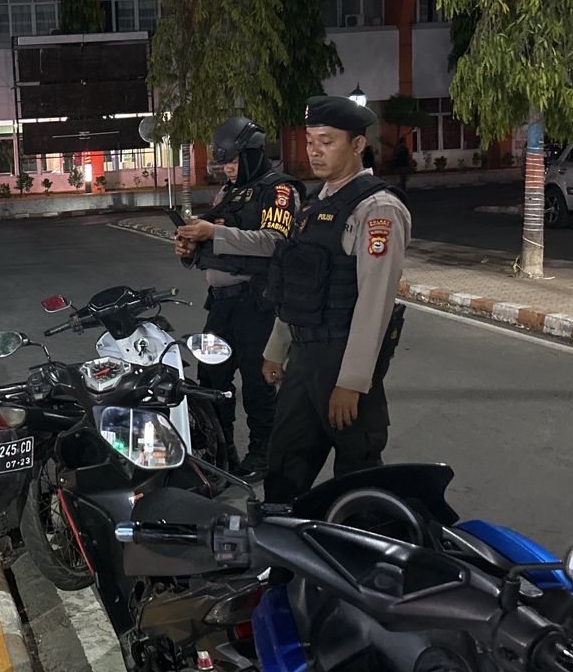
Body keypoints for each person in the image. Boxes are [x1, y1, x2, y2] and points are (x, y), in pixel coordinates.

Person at [261, 95, 410, 503]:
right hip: (303, 359)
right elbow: (297, 286)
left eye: (326, 141)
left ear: (357, 144)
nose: (314, 151)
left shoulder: (377, 210)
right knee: (283, 470)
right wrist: (276, 349)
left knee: (357, 480)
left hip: (342, 359)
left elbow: (375, 302)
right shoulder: (314, 206)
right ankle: (285, 546)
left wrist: (352, 382)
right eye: (310, 141)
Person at [173, 117, 301, 474]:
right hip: (221, 303)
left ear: (252, 154)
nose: (228, 168)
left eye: (233, 161)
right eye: (224, 163)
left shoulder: (278, 190)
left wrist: (213, 232)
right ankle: (222, 452)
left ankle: (263, 455)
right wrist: (189, 250)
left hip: (257, 302)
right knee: (212, 381)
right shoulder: (228, 193)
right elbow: (216, 245)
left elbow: (274, 241)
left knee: (258, 383)